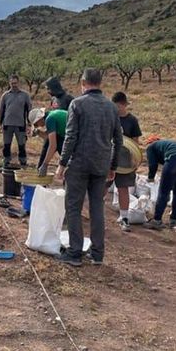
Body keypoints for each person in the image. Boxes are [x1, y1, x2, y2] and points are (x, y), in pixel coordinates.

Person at [55, 68, 122, 267]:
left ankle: (75, 252)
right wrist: (113, 165)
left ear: (83, 83)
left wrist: (62, 163)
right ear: (100, 83)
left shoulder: (77, 104)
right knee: (96, 208)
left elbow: (70, 137)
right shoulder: (111, 107)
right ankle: (97, 253)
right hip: (101, 164)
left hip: (80, 163)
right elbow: (118, 139)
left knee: (73, 207)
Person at [143, 136, 176, 230]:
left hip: (175, 159)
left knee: (163, 191)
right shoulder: (169, 144)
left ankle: (157, 221)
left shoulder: (151, 147)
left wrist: (150, 178)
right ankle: (173, 221)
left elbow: (152, 164)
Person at [110, 91, 144, 231]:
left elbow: (135, 143)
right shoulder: (110, 118)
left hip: (125, 162)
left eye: (118, 106)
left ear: (124, 105)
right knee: (102, 187)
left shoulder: (132, 121)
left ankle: (124, 218)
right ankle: (97, 216)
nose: (116, 109)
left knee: (123, 189)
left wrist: (134, 161)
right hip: (109, 157)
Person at [0, 75, 32, 169]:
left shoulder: (25, 95)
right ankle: (6, 161)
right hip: (7, 124)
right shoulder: (5, 95)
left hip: (20, 124)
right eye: (12, 83)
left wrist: (29, 124)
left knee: (21, 145)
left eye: (15, 83)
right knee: (6, 145)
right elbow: (1, 110)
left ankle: (23, 162)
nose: (14, 85)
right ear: (9, 83)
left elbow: (29, 110)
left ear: (19, 83)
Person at [31, 107, 67, 176]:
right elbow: (48, 137)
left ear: (39, 119)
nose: (38, 126)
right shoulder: (50, 115)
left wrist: (45, 164)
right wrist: (38, 132)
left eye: (36, 124)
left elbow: (53, 145)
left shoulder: (49, 119)